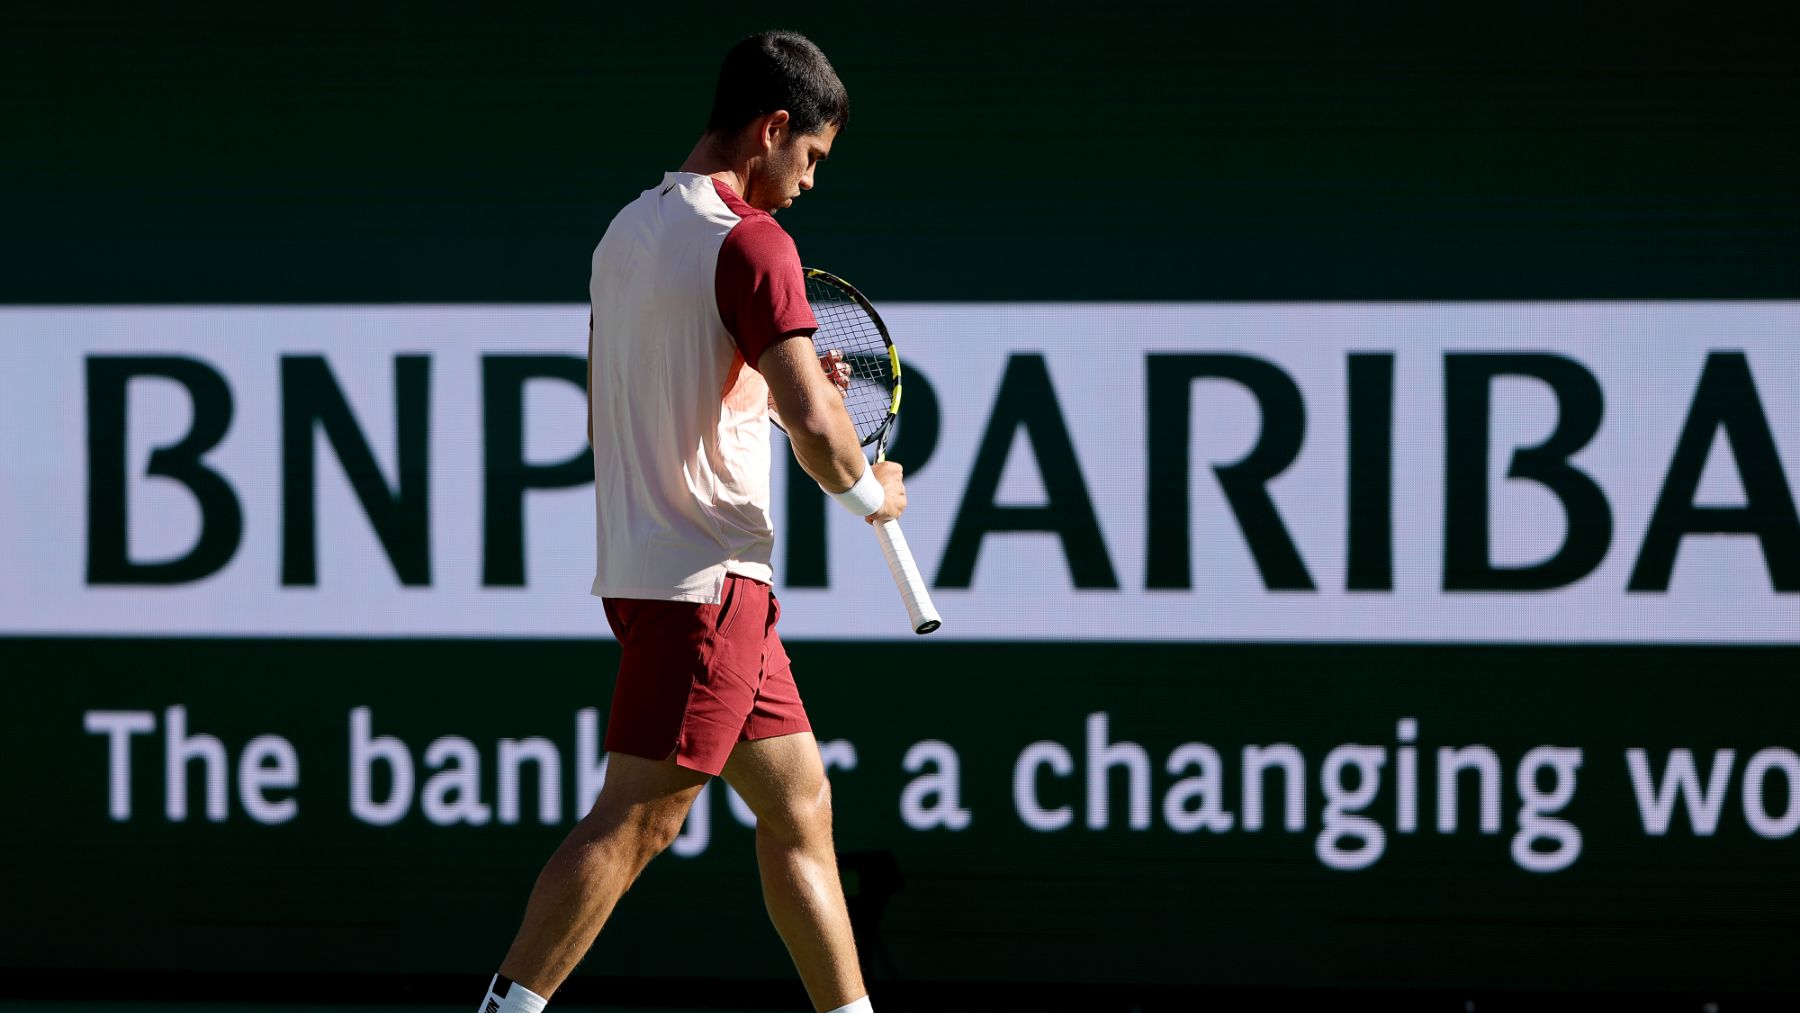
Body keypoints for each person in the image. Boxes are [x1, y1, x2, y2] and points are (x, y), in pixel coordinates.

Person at [475, 30, 901, 1013]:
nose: (807, 184)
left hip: (657, 574)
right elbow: (824, 441)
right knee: (635, 820)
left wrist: (764, 371)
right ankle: (510, 1005)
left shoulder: (628, 230)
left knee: (800, 806)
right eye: (810, 159)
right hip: (707, 584)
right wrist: (874, 490)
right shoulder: (756, 242)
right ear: (774, 126)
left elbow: (668, 379)